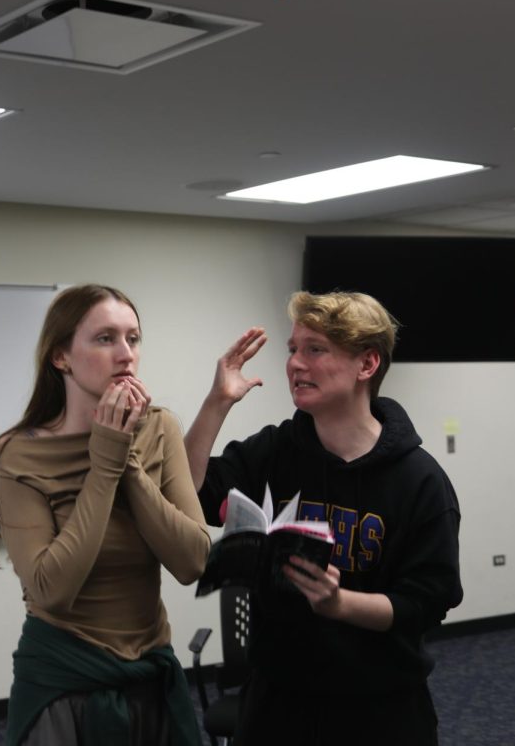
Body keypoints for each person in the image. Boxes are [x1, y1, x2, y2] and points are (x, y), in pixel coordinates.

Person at [184, 291, 462, 745]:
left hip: (378, 709)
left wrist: (340, 605)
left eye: (315, 349)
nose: (295, 363)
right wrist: (217, 402)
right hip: (276, 702)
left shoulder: (420, 480)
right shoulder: (274, 450)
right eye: (293, 349)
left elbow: (426, 603)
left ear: (366, 365)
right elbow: (190, 493)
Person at [0, 283, 210, 746]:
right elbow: (52, 589)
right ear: (60, 357)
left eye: (133, 338)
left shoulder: (160, 428)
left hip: (151, 673)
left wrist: (125, 461)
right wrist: (106, 459)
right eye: (105, 339)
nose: (125, 354)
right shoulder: (16, 455)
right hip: (64, 683)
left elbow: (193, 563)